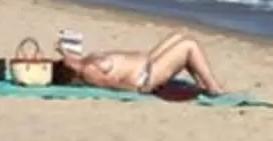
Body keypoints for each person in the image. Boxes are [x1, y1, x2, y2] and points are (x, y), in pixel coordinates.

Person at [58, 27, 219, 94]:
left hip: (148, 61)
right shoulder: (87, 70)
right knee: (188, 45)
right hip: (145, 76)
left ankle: (201, 83)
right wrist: (137, 88)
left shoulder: (85, 60)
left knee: (180, 34)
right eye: (65, 57)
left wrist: (62, 48)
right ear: (69, 68)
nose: (66, 56)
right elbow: (109, 83)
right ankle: (214, 88)